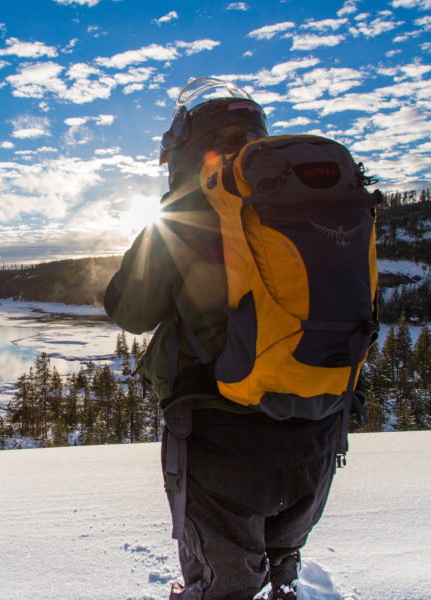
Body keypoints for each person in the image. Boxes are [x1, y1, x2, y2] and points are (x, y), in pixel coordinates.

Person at [104, 79, 347, 600]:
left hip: (223, 439)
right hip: (319, 430)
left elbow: (128, 310)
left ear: (186, 146)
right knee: (281, 566)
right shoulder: (313, 207)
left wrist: (164, 221)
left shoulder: (189, 211)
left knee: (221, 587)